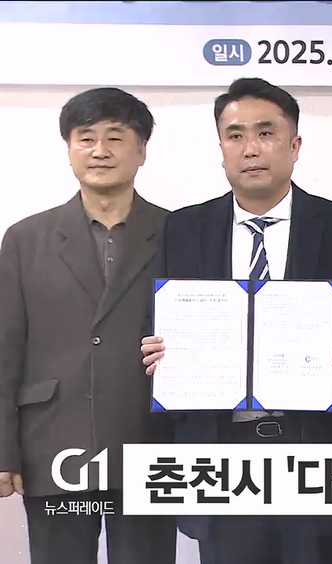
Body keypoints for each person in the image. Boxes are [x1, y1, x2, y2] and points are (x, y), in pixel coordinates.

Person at [138, 77, 332, 564]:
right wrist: (155, 351)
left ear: (294, 146)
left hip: (315, 454)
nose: (251, 148)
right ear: (221, 149)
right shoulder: (184, 227)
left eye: (266, 133)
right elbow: (156, 321)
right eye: (236, 135)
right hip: (219, 454)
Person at [0, 88, 177, 564]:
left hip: (149, 443)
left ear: (141, 151)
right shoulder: (25, 239)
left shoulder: (178, 233)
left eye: (116, 138)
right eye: (86, 138)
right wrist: (3, 450)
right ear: (69, 149)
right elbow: (5, 350)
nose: (100, 151)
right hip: (54, 442)